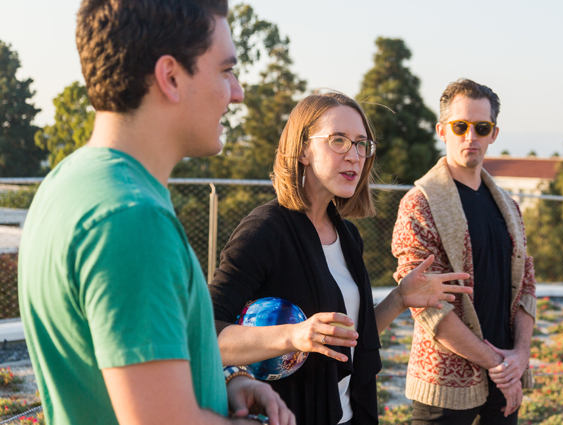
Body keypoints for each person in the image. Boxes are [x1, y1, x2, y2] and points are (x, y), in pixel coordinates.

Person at [17, 1, 293, 424]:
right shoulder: (130, 220)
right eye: (225, 70)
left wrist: (226, 384)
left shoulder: (71, 182)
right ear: (170, 77)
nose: (237, 92)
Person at [208, 90, 472, 425]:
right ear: (303, 149)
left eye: (362, 144)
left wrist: (400, 299)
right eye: (338, 140)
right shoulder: (265, 231)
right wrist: (295, 335)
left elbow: (346, 340)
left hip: (349, 416)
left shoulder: (346, 235)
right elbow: (207, 334)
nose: (354, 156)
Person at [391, 78, 537, 425]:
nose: (470, 136)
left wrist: (519, 355)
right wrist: (498, 362)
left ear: (493, 134)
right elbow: (426, 305)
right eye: (461, 126)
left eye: (481, 127)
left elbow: (526, 287)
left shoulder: (509, 207)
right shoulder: (419, 203)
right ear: (443, 130)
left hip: (504, 376)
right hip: (445, 382)